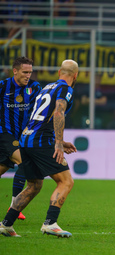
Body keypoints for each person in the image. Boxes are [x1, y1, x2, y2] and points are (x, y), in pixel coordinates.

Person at [0, 60, 78, 238]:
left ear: (59, 73)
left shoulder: (46, 87)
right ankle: (50, 223)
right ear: (75, 76)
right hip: (41, 141)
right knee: (66, 181)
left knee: (34, 185)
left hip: (26, 138)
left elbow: (38, 117)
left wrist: (59, 140)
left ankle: (6, 224)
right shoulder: (66, 89)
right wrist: (58, 143)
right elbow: (58, 112)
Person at [0, 57, 42, 221]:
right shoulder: (4, 86)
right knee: (25, 163)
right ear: (15, 71)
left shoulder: (35, 87)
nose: (28, 75)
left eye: (30, 72)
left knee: (3, 167)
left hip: (23, 136)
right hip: (5, 134)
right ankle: (15, 206)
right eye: (25, 72)